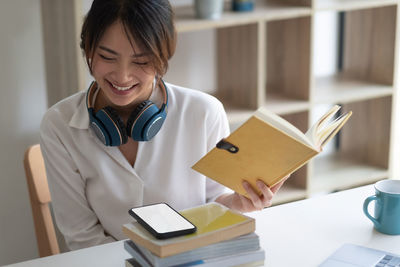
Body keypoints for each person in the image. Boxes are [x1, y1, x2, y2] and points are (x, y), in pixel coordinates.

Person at [40, 0, 286, 251]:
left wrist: (238, 203)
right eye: (106, 56)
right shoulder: (59, 125)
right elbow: (83, 238)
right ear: (88, 49)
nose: (122, 76)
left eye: (141, 61)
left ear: (162, 56)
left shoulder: (204, 113)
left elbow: (214, 203)